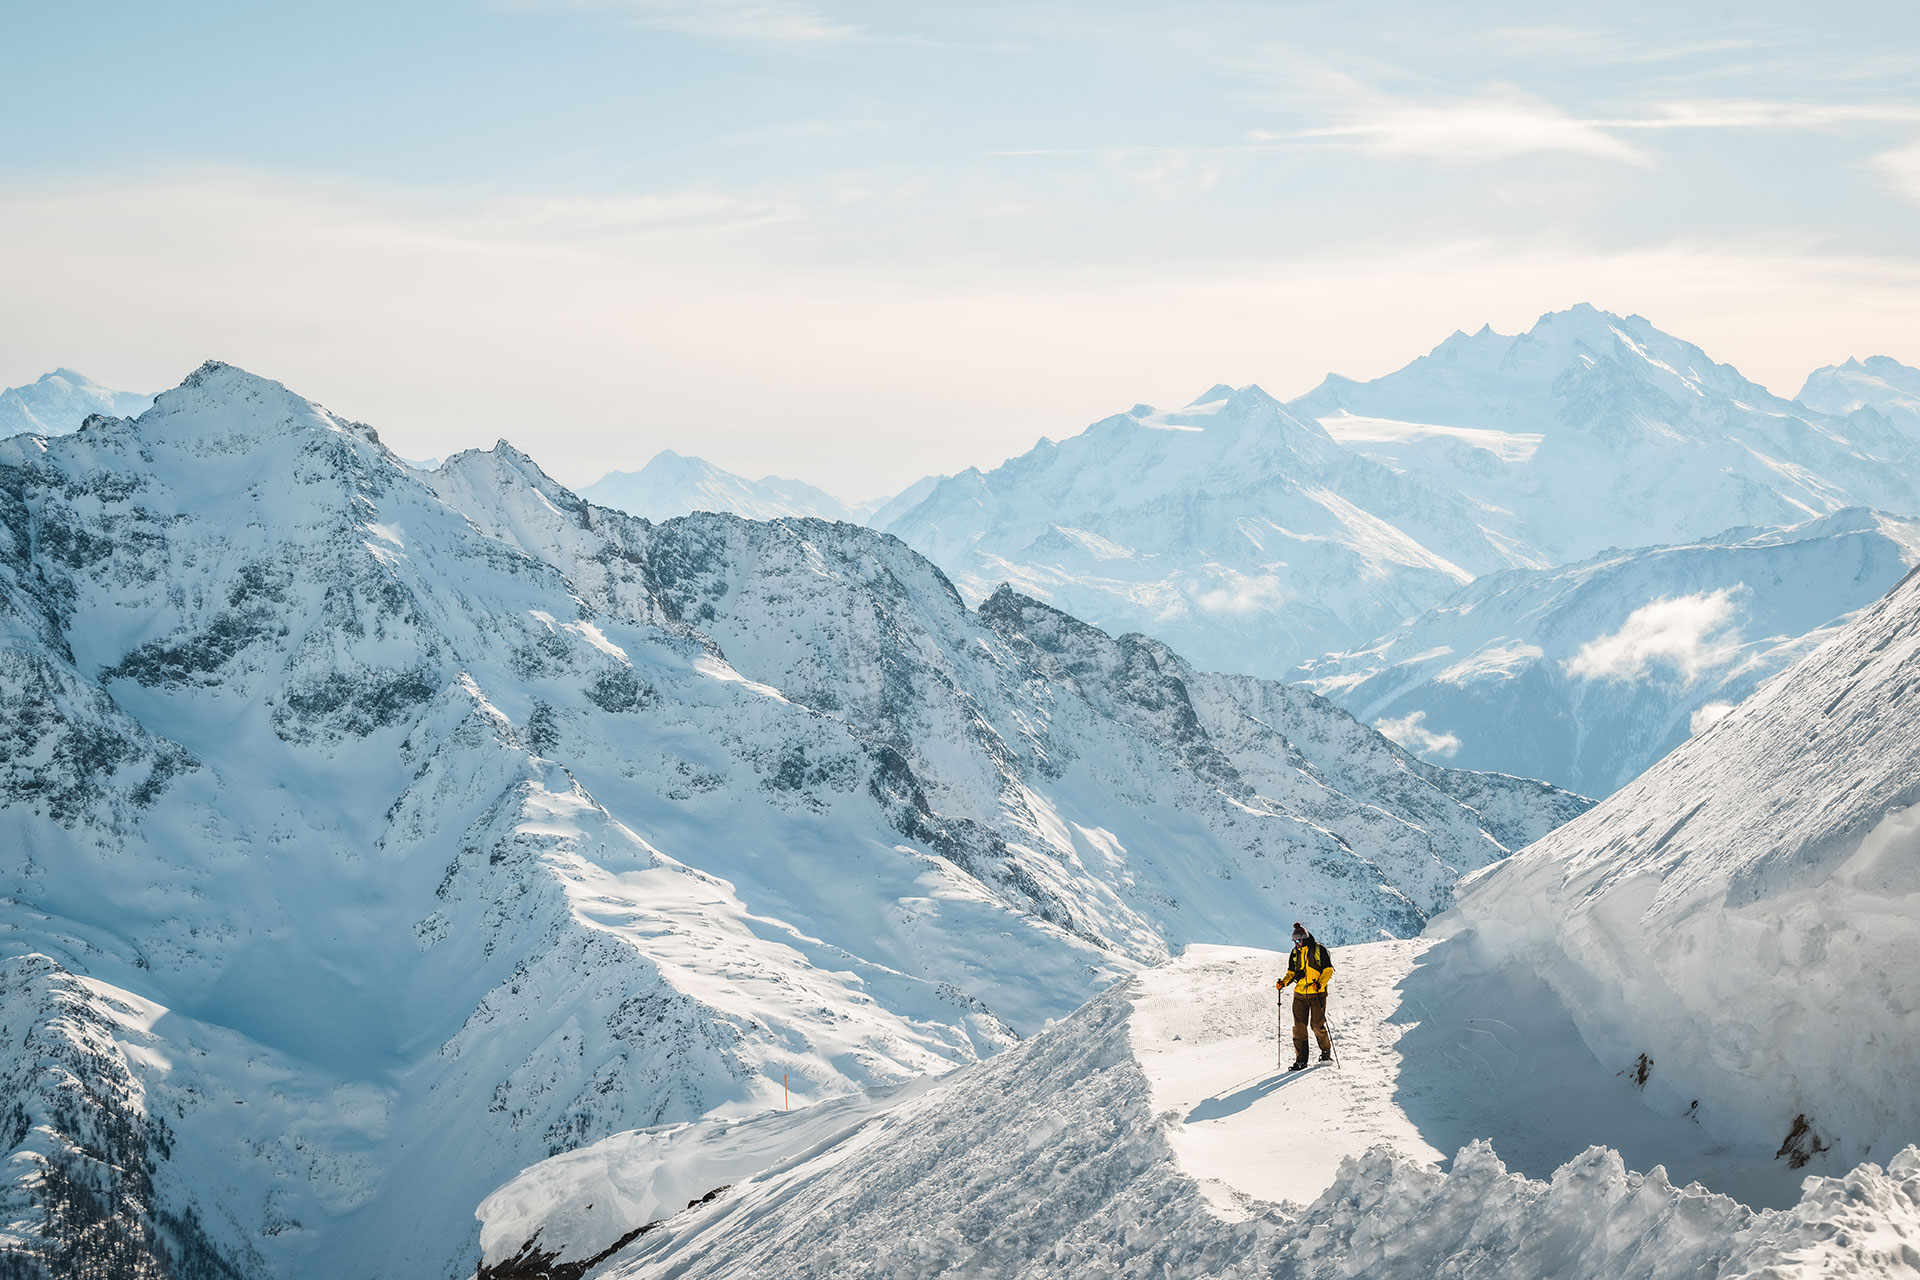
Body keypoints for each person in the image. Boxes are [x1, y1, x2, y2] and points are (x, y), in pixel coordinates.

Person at [1276, 921, 1334, 1070]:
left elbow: (1328, 970)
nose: (1296, 943)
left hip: (1317, 994)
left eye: (1298, 940)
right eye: (1294, 941)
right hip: (1300, 995)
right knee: (1299, 1027)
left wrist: (1320, 984)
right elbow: (1291, 973)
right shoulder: (1295, 953)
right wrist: (1283, 983)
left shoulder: (1319, 950)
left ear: (1304, 938)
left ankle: (1326, 1052)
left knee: (1316, 1025)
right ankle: (1301, 1060)